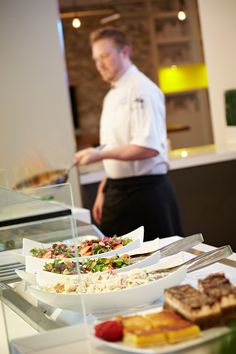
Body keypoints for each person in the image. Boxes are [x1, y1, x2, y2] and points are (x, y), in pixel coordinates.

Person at [75, 27, 182, 241]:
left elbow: (147, 148)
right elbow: (115, 145)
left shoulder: (143, 89)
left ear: (125, 52)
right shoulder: (111, 95)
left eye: (105, 56)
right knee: (115, 265)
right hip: (117, 191)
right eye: (96, 59)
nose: (100, 64)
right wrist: (104, 188)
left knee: (156, 266)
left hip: (145, 194)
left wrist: (97, 156)